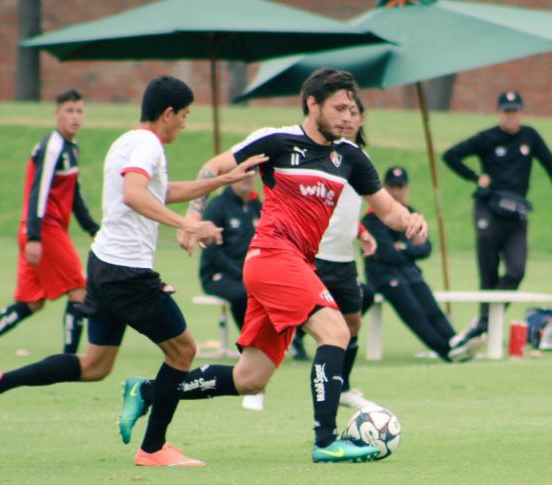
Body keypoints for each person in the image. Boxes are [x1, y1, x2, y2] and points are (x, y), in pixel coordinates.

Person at [0, 76, 266, 468]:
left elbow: (157, 193)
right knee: (183, 350)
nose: (184, 124)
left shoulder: (127, 141)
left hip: (102, 266)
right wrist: (187, 226)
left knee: (94, 365)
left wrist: (221, 180)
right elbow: (135, 195)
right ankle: (153, 449)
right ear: (167, 113)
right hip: (126, 273)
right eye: (183, 116)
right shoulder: (148, 144)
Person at [120, 68, 428, 464]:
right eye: (339, 108)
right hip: (271, 256)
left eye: (352, 109)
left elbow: (387, 209)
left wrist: (410, 221)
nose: (349, 117)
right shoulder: (278, 140)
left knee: (250, 379)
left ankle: (147, 391)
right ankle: (326, 439)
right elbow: (213, 167)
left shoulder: (350, 157)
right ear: (312, 104)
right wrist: (194, 215)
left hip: (294, 264)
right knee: (336, 331)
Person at [0, 89, 100, 372]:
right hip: (43, 231)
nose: (75, 117)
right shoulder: (53, 146)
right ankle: (69, 361)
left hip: (41, 231)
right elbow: (38, 192)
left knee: (32, 301)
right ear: (57, 114)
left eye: (79, 111)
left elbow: (74, 195)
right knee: (79, 289)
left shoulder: (72, 148)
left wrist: (92, 228)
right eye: (69, 111)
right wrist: (34, 236)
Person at [442, 91, 552, 348]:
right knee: (488, 274)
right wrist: (474, 177)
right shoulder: (488, 138)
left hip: (517, 215)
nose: (511, 117)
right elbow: (451, 155)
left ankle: (483, 321)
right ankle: (485, 324)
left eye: (515, 112)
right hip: (488, 211)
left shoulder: (530, 137)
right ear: (499, 113)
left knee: (516, 270)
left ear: (521, 113)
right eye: (506, 112)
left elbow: (550, 165)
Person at [288, 99, 380, 413]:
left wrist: (361, 230)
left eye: (355, 113)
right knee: (307, 324)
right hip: (316, 256)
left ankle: (343, 386)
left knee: (352, 323)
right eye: (344, 112)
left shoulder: (359, 158)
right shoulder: (325, 155)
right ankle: (252, 381)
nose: (350, 119)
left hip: (344, 259)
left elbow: (346, 208)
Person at [361, 166, 477, 362]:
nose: (397, 192)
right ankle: (448, 353)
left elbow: (426, 248)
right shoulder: (372, 218)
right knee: (415, 314)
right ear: (384, 188)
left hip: (409, 272)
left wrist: (403, 248)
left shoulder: (411, 214)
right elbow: (387, 254)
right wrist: (408, 249)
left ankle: (455, 342)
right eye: (392, 187)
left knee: (432, 309)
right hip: (384, 276)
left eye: (401, 186)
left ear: (407, 188)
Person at [199, 176, 262, 333]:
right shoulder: (217, 206)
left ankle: (290, 339)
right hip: (219, 275)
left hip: (252, 274)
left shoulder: (257, 207)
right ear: (233, 175)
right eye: (244, 173)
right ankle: (250, 340)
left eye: (252, 173)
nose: (248, 177)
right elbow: (210, 249)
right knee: (242, 294)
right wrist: (238, 272)